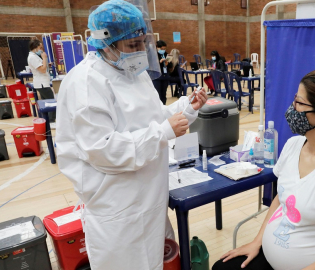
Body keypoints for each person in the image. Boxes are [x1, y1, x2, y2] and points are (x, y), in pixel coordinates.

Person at [55, 0, 208, 269]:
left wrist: (187, 107)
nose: (140, 51)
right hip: (117, 207)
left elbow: (153, 117)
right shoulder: (87, 83)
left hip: (149, 196)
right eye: (132, 45)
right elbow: (103, 151)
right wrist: (163, 132)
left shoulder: (132, 72)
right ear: (105, 42)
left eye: (142, 43)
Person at [213, 69, 315, 270]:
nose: (292, 108)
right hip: (273, 258)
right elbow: (281, 199)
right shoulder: (294, 145)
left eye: (299, 102)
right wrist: (257, 242)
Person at [27, 39, 56, 128]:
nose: (41, 49)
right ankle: (51, 121)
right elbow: (42, 70)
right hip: (41, 83)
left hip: (43, 82)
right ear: (35, 48)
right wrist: (44, 58)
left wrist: (47, 63)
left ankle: (48, 120)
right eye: (40, 47)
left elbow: (42, 67)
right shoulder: (32, 57)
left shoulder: (34, 56)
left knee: (46, 103)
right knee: (51, 102)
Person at [152, 40, 170, 104]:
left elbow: (171, 65)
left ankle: (164, 105)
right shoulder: (154, 55)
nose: (163, 50)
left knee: (163, 94)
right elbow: (152, 65)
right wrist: (159, 62)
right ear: (157, 47)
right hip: (157, 77)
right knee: (157, 94)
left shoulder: (166, 54)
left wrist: (168, 63)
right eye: (162, 48)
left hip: (165, 76)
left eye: (164, 48)